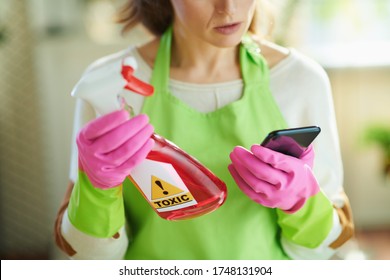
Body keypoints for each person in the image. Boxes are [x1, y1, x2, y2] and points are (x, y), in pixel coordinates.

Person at [55, 0, 354, 260]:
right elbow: (87, 256)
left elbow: (322, 250)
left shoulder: (300, 81)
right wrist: (96, 189)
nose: (229, 7)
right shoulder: (108, 86)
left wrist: (302, 203)